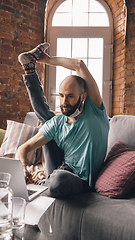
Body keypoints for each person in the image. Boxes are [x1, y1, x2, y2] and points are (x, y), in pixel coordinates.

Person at [15, 43, 110, 197]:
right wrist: (23, 166)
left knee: (59, 179)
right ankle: (29, 69)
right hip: (60, 168)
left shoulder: (95, 111)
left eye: (71, 96)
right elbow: (22, 149)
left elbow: (79, 65)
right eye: (61, 95)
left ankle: (40, 186)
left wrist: (47, 60)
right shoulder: (58, 122)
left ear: (83, 97)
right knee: (48, 123)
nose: (64, 101)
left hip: (78, 180)